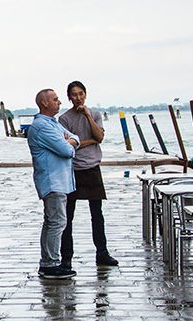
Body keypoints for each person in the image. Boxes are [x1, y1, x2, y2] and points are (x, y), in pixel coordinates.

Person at [57, 81, 118, 267]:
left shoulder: (96, 114)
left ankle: (102, 253)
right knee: (68, 216)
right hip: (73, 170)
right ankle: (66, 258)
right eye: (74, 95)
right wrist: (89, 140)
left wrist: (87, 117)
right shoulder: (64, 119)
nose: (78, 98)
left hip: (92, 168)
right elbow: (68, 144)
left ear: (85, 94)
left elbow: (99, 137)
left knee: (97, 214)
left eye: (81, 94)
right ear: (69, 97)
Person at [27, 88, 79, 279]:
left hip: (60, 181)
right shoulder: (43, 127)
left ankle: (50, 262)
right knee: (56, 222)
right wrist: (70, 143)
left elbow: (76, 138)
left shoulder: (53, 124)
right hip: (53, 181)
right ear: (45, 103)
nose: (60, 102)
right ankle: (50, 263)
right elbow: (66, 150)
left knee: (54, 222)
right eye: (56, 99)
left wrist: (72, 141)